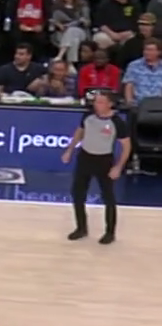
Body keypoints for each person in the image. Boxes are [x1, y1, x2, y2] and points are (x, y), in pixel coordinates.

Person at [62, 89, 131, 244]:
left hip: (104, 161)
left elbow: (126, 146)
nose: (96, 105)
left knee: (108, 197)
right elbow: (80, 132)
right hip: (85, 158)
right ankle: (81, 228)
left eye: (100, 102)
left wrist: (118, 167)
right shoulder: (88, 115)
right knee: (78, 194)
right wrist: (70, 150)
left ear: (110, 104)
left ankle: (110, 232)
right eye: (95, 102)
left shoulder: (117, 122)